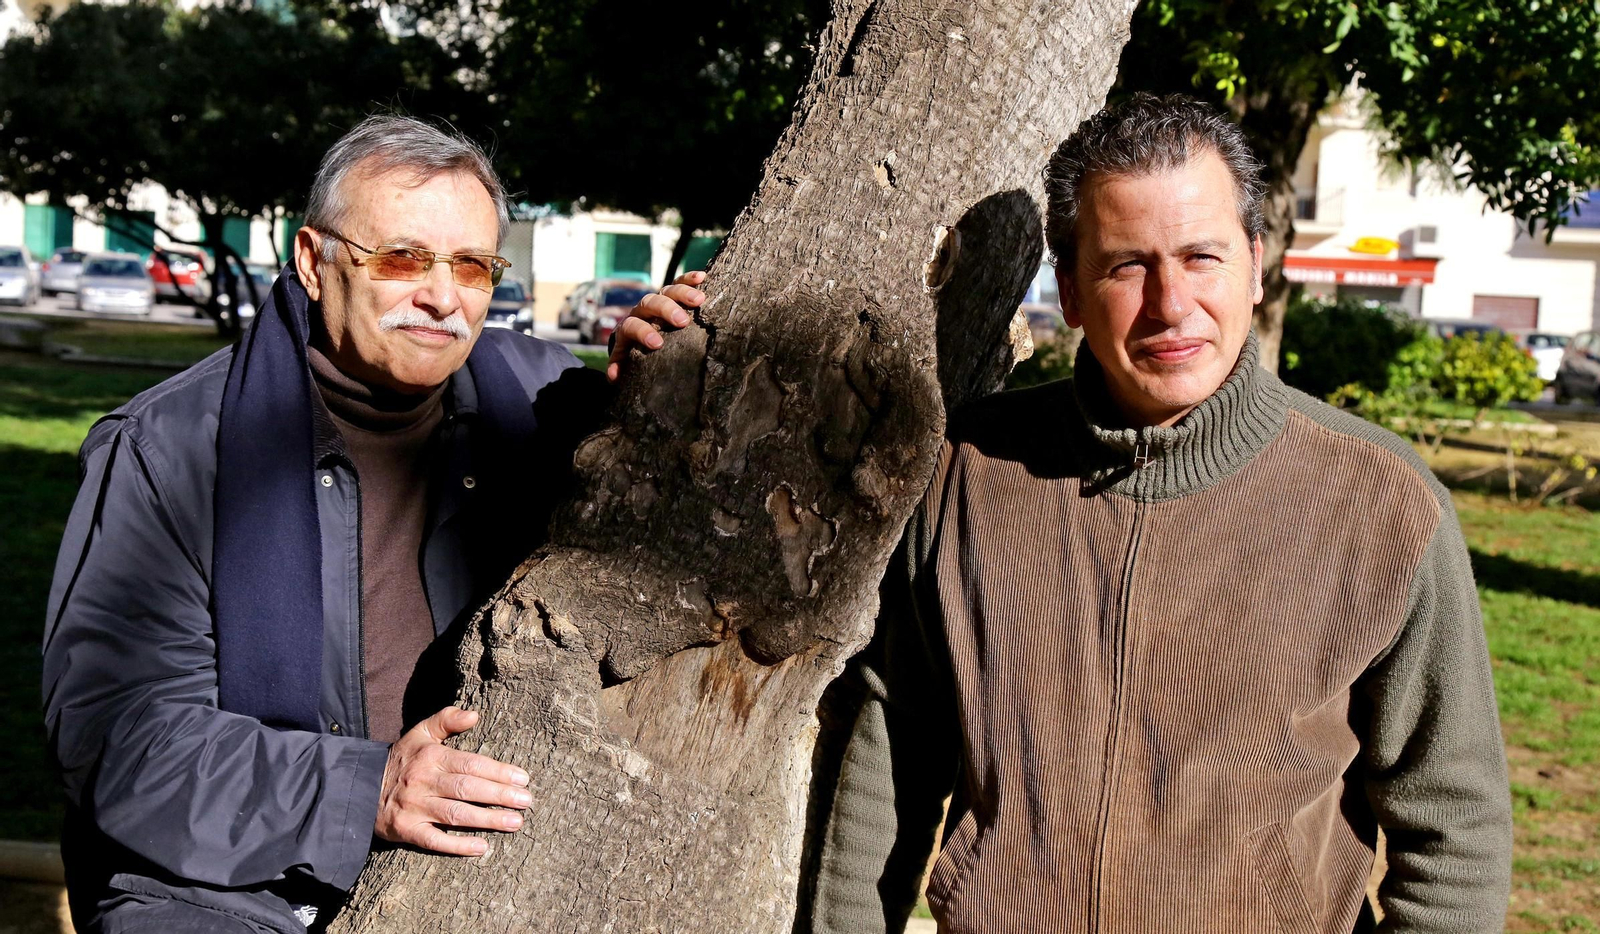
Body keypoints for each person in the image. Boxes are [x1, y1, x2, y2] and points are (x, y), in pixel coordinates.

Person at [625, 94, 1514, 933]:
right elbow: (885, 765)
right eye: (1129, 265)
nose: (1171, 306)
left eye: (1203, 257)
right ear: (1074, 289)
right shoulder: (964, 472)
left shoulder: (1384, 506)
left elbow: (1454, 831)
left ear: (1255, 266)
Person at [41, 115, 705, 933]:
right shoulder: (170, 450)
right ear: (314, 263)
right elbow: (115, 736)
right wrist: (365, 791)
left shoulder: (537, 405)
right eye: (401, 258)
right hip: (224, 893)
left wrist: (655, 390)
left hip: (478, 863)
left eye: (472, 266)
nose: (441, 295)